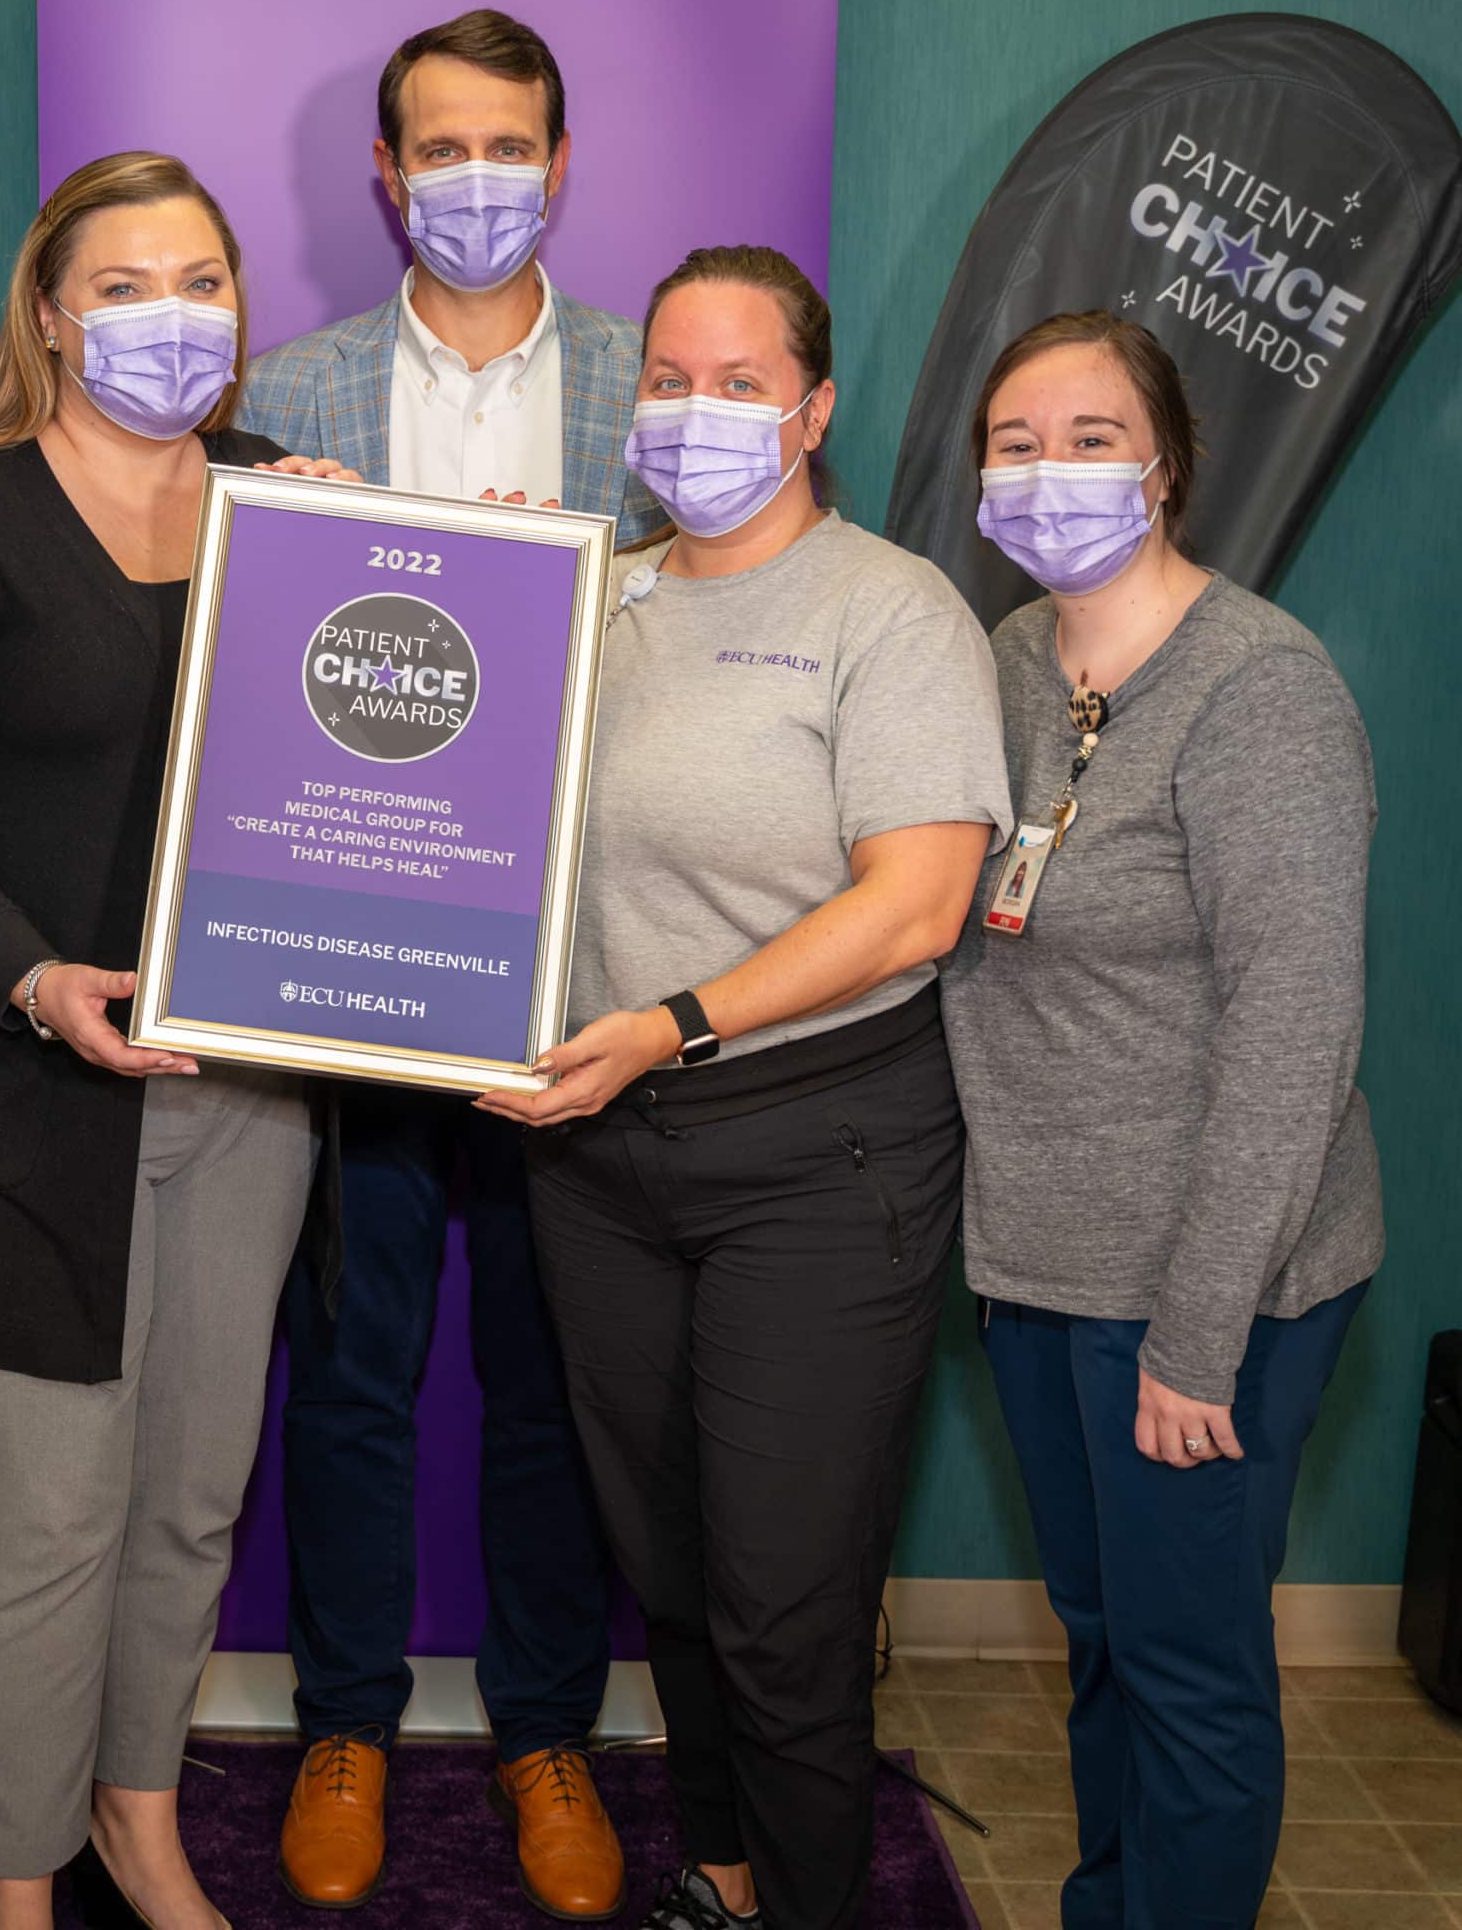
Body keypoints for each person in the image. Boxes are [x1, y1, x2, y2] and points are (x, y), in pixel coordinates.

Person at [483, 244, 1014, 1930]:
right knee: (678, 1572)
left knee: (786, 1597)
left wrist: (673, 1024)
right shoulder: (589, 599)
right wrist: (419, 570)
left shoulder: (891, 606)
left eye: (737, 384)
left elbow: (915, 903)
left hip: (819, 1149)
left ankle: (806, 1898)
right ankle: (718, 1876)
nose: (694, 414)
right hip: (600, 1161)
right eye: (665, 381)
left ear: (814, 409)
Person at [0, 152, 340, 1930]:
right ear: (52, 315)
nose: (168, 316)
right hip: (8, 1095)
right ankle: (21, 1881)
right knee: (46, 1522)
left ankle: (138, 1818)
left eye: (200, 278)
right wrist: (38, 978)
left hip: (245, 1095)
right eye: (123, 284)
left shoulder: (291, 506)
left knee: (190, 1504)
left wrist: (434, 567)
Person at [236, 6, 661, 1921]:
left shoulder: (668, 396)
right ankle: (344, 1719)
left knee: (554, 1374)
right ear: (387, 173)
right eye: (441, 150)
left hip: (590, 975)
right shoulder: (290, 392)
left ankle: (549, 1731)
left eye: (513, 149)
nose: (475, 181)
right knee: (349, 1368)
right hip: (357, 966)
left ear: (561, 169)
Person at [942, 311, 1381, 1930]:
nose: (1047, 472)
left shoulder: (1261, 691)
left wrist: (1199, 1335)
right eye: (1014, 442)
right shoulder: (999, 661)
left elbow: (1297, 1031)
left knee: (1191, 1672)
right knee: (1106, 1639)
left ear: (1168, 465)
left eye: (1090, 438)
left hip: (1213, 1290)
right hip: (1043, 1268)